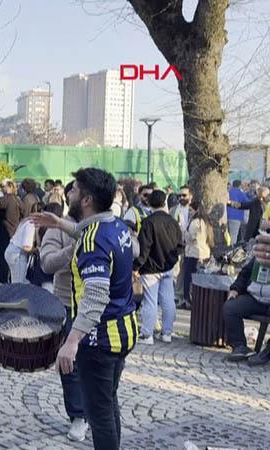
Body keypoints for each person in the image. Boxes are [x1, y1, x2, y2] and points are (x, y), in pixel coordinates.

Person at [31, 167, 138, 450]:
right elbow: (130, 250)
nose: (69, 194)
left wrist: (71, 341)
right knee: (108, 402)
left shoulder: (92, 242)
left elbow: (95, 297)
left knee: (98, 414)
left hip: (100, 340)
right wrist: (59, 223)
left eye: (75, 190)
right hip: (124, 332)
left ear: (87, 199)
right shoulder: (114, 226)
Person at [38, 180, 87, 442]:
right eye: (73, 191)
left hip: (96, 306)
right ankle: (78, 415)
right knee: (70, 363)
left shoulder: (99, 225)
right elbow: (46, 263)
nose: (73, 195)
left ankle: (97, 411)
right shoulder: (57, 228)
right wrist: (73, 249)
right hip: (66, 304)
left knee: (98, 363)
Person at [134, 190, 183, 345]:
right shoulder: (173, 222)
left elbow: (144, 249)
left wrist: (136, 267)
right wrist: (173, 260)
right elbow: (180, 245)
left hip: (150, 269)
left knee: (150, 301)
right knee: (168, 300)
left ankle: (147, 334)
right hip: (168, 267)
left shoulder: (148, 222)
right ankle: (167, 333)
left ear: (149, 203)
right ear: (165, 202)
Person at [223, 254, 270, 366]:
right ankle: (239, 346)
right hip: (253, 298)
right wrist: (235, 289)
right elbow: (244, 274)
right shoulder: (260, 255)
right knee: (230, 307)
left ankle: (268, 351)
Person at [0, 180, 22, 283]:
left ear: (8, 187)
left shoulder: (4, 200)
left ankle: (3, 282)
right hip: (15, 232)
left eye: (2, 186)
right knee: (12, 259)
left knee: (2, 258)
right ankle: (11, 280)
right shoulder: (18, 200)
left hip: (4, 232)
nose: (1, 188)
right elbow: (23, 212)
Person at [182, 200, 213, 306]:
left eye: (191, 210)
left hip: (193, 253)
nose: (189, 212)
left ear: (197, 210)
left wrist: (183, 231)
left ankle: (187, 299)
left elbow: (190, 237)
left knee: (189, 278)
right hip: (204, 253)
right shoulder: (206, 222)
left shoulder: (195, 222)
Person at [5, 204, 39, 284]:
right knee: (19, 283)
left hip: (12, 251)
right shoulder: (31, 225)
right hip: (17, 255)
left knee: (17, 281)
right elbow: (26, 247)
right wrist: (37, 250)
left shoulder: (26, 220)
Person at [228, 179, 249, 244]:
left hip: (226, 216)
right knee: (233, 236)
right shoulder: (240, 193)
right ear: (240, 185)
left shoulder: (228, 192)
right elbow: (248, 203)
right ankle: (230, 251)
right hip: (236, 217)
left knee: (226, 236)